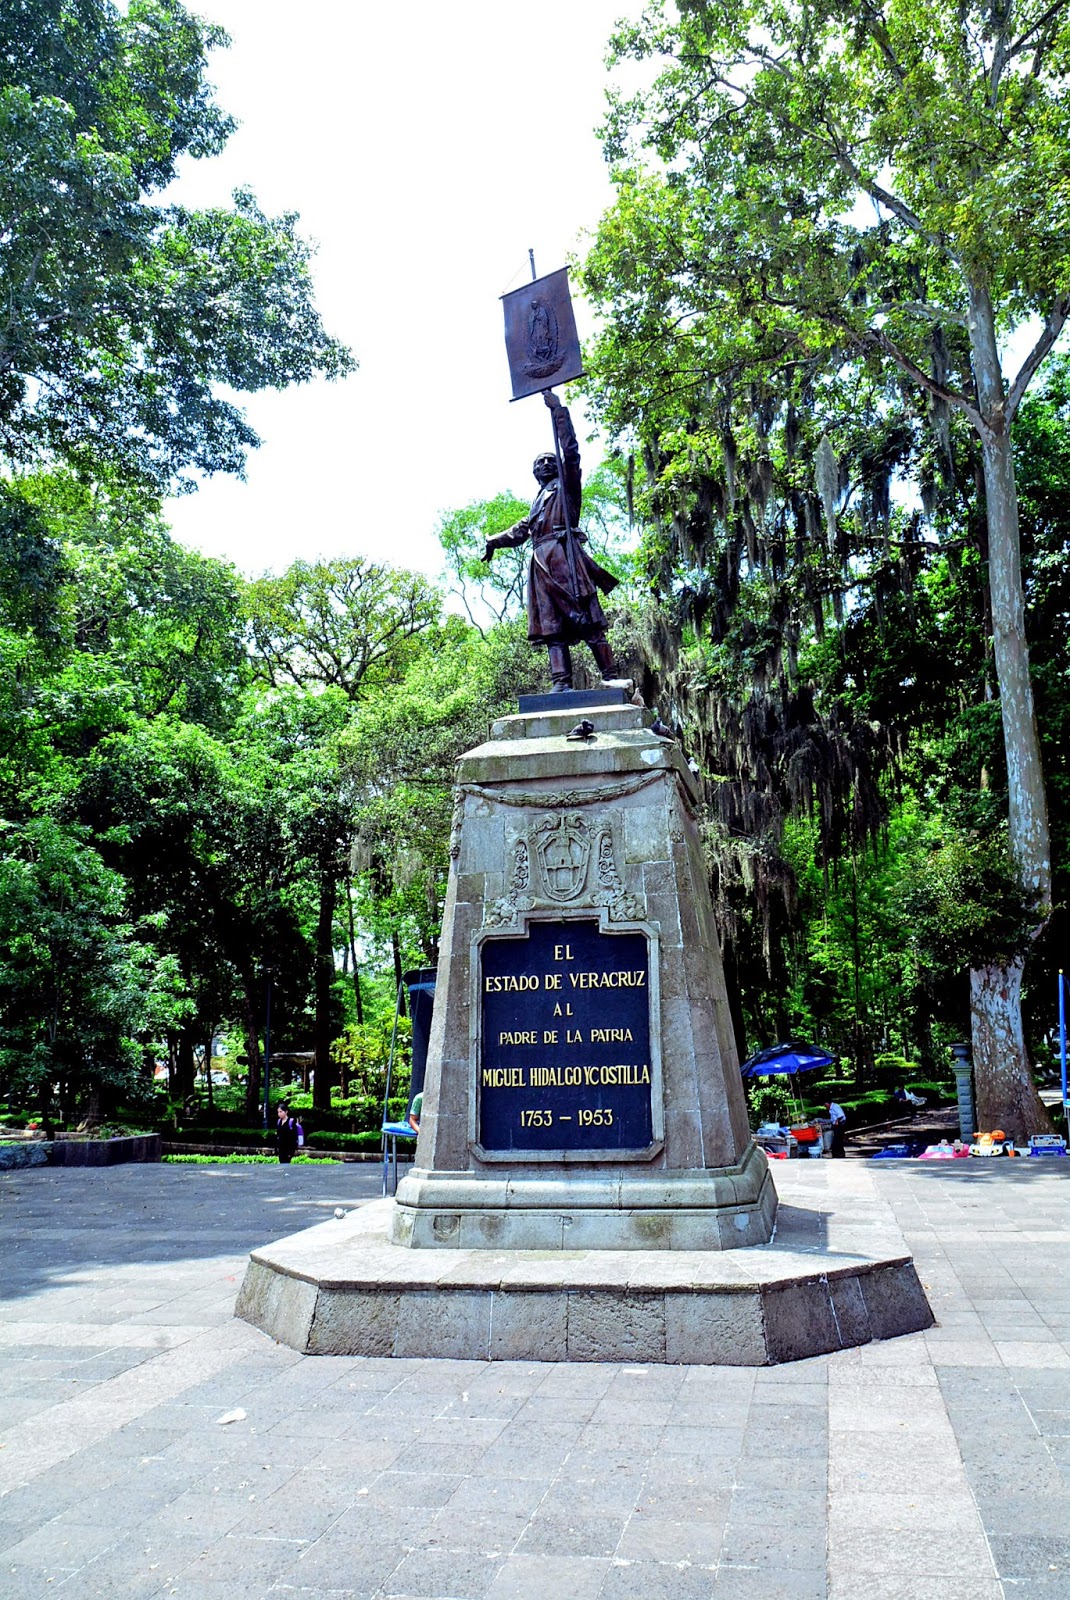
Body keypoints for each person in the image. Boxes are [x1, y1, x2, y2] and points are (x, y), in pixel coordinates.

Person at [483, 390, 620, 691]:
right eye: (539, 462)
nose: (545, 464)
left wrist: (559, 412)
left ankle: (610, 676)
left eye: (549, 460)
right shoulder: (535, 504)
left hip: (565, 557)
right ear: (533, 473)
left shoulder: (567, 487)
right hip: (541, 565)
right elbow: (518, 532)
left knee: (587, 616)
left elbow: (570, 452)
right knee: (552, 625)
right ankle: (561, 682)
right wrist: (493, 541)